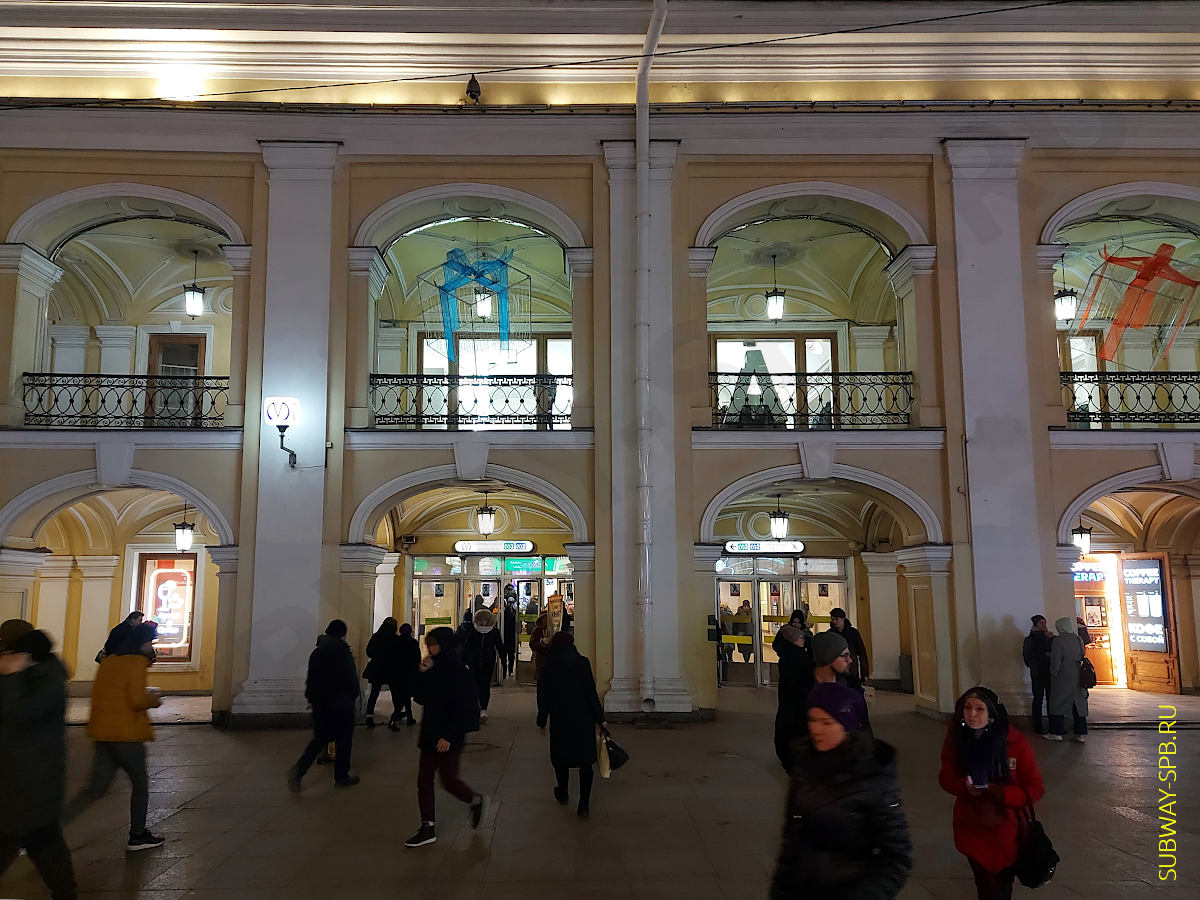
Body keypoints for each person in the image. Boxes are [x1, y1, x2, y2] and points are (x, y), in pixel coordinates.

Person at [771, 682, 911, 898]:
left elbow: (897, 856)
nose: (816, 729)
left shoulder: (873, 777)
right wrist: (781, 888)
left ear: (847, 727)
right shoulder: (805, 766)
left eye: (827, 722)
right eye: (813, 720)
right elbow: (791, 840)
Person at [64, 622, 165, 851]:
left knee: (94, 789)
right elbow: (137, 700)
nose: (151, 646)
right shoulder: (136, 663)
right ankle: (138, 835)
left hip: (103, 732)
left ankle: (47, 833)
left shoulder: (109, 661)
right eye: (150, 642)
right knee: (140, 784)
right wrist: (155, 698)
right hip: (126, 734)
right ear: (142, 642)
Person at [938, 686, 1044, 900]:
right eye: (967, 708)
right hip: (972, 827)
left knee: (1003, 887)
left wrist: (1001, 794)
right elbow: (945, 777)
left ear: (992, 714)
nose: (972, 714)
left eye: (979, 709)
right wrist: (963, 786)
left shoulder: (1014, 743)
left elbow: (1034, 788)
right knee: (987, 888)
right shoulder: (957, 740)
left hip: (1007, 829)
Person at [0, 622, 77, 899]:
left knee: (45, 846)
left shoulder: (46, 680)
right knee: (44, 846)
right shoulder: (28, 676)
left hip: (32, 785)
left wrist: (12, 676)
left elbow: (18, 715)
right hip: (16, 785)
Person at [405, 627, 484, 848]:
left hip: (449, 736)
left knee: (449, 780)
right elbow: (420, 697)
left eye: (434, 644)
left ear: (445, 645)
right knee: (424, 780)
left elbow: (465, 708)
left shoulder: (459, 672)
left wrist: (449, 735)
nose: (430, 648)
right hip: (430, 732)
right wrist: (420, 672)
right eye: (428, 644)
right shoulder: (432, 668)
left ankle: (475, 800)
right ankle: (427, 825)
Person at [536, 632, 606, 819]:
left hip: (560, 719)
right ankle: (584, 804)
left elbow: (543, 696)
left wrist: (542, 720)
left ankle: (563, 791)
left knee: (560, 758)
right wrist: (600, 718)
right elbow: (591, 692)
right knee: (585, 762)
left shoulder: (549, 665)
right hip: (583, 719)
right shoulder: (582, 663)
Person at [288, 619, 361, 791]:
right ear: (342, 634)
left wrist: (312, 699)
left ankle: (299, 771)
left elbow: (311, 679)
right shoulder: (342, 651)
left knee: (319, 740)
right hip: (341, 705)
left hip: (321, 705)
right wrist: (353, 694)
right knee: (344, 740)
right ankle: (341, 776)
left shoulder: (318, 651)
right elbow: (349, 677)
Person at [771, 622, 814, 772]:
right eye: (800, 638)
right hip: (796, 700)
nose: (803, 640)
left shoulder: (787, 655)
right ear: (792, 640)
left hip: (788, 701)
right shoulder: (797, 657)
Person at [1046, 616, 1088, 742]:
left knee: (1058, 703)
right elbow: (1082, 655)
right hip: (1078, 675)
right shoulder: (1078, 639)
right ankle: (1080, 734)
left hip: (1063, 675)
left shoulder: (1058, 641)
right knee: (1078, 705)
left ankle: (1056, 732)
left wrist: (1053, 672)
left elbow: (1056, 661)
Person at [463, 608, 502, 722]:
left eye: (485, 620)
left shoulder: (494, 631)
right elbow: (467, 646)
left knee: (484, 686)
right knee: (474, 685)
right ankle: (476, 707)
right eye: (480, 619)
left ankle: (483, 708)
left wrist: (504, 659)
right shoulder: (474, 630)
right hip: (474, 662)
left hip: (488, 662)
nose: (482, 622)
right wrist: (464, 661)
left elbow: (499, 645)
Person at [363, 617, 402, 729]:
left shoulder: (376, 636)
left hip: (377, 668)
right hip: (392, 669)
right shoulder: (396, 639)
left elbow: (368, 651)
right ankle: (395, 718)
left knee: (374, 693)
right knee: (396, 694)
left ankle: (369, 716)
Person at [1022, 615, 1053, 734]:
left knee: (1050, 698)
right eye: (1041, 623)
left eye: (1045, 622)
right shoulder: (1030, 639)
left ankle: (1053, 724)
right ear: (1035, 624)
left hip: (1048, 672)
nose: (1044, 625)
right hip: (1038, 673)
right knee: (1038, 698)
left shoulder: (1049, 637)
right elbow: (1027, 656)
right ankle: (1038, 726)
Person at [829, 607, 870, 685]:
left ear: (843, 618)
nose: (834, 622)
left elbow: (862, 653)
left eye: (836, 619)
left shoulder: (853, 633)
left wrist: (865, 673)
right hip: (836, 668)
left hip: (852, 668)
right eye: (832, 619)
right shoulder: (831, 634)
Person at [393, 622, 421, 727]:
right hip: (409, 673)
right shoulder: (413, 643)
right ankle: (403, 716)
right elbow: (417, 658)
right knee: (406, 695)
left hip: (397, 673)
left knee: (400, 696)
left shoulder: (396, 642)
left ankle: (399, 716)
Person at [529, 612, 552, 682]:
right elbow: (532, 644)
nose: (545, 621)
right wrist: (542, 642)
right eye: (543, 619)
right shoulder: (537, 631)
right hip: (541, 660)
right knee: (541, 682)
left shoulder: (553, 630)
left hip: (552, 662)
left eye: (546, 618)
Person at [500, 598, 518, 680]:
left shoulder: (501, 617)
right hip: (511, 639)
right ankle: (510, 670)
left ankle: (503, 672)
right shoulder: (514, 617)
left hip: (504, 638)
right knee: (511, 656)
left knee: (504, 656)